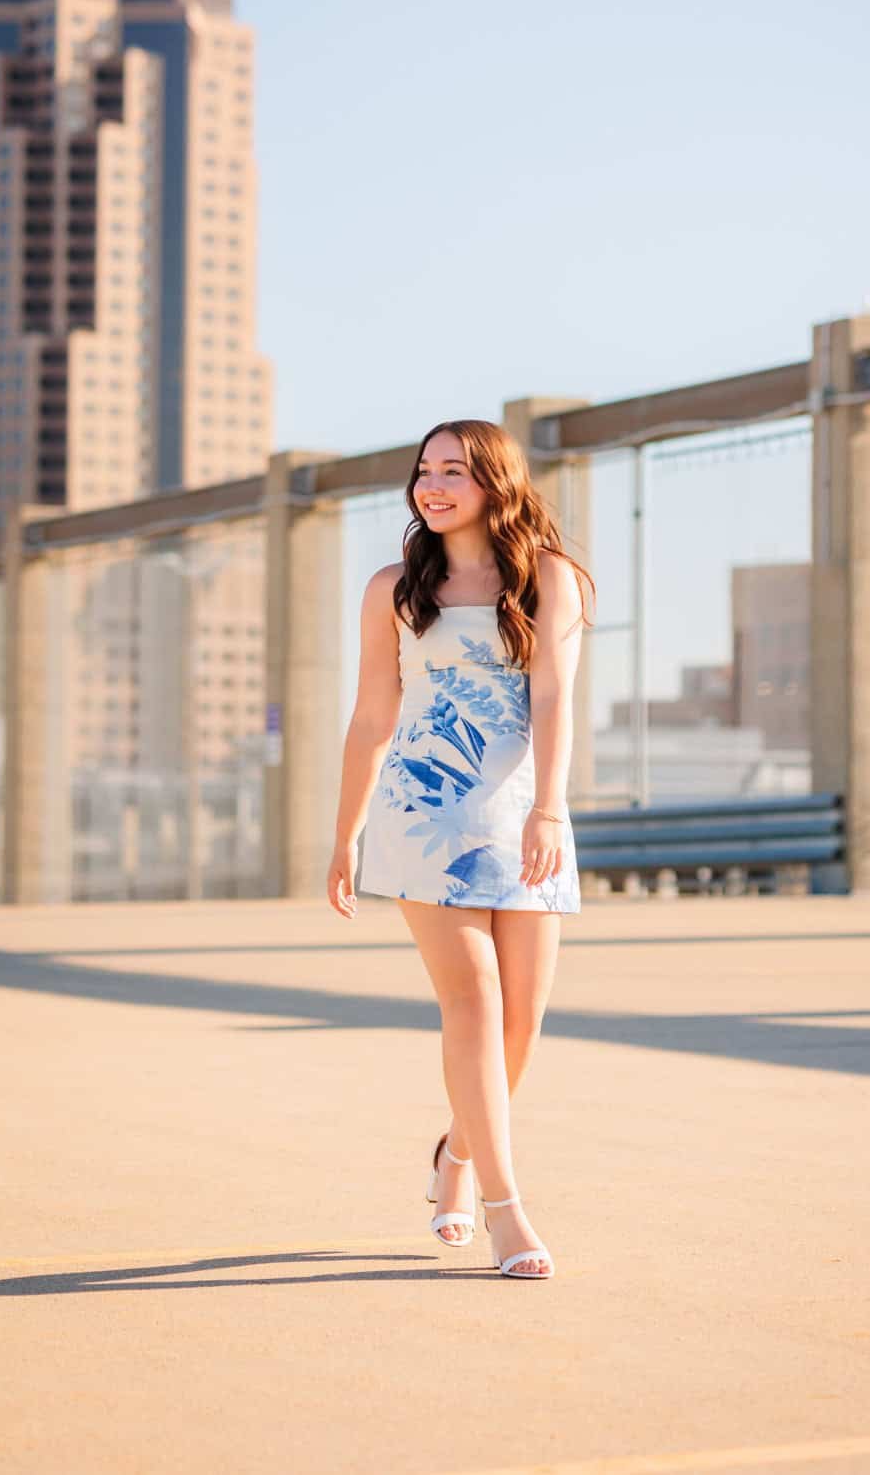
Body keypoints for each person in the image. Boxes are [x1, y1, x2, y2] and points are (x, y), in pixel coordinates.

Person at [326, 418, 596, 1279]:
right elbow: (373, 716)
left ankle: (456, 1154)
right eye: (423, 471)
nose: (432, 486)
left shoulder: (550, 579)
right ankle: (507, 1213)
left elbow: (553, 699)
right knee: (473, 1003)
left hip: (525, 812)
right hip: (423, 811)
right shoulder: (393, 590)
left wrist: (549, 811)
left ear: (495, 483)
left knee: (521, 1024)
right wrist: (344, 835)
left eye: (453, 471)